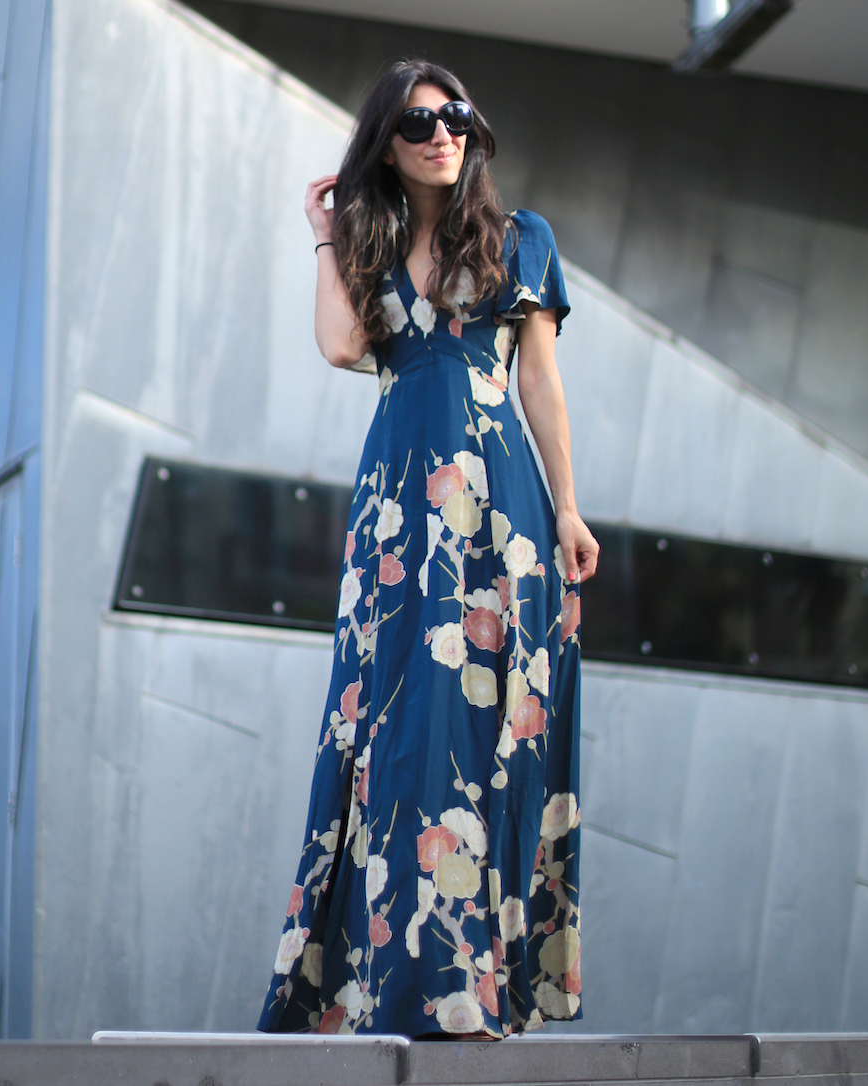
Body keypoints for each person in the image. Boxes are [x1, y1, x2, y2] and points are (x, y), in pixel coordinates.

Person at [259, 60, 598, 1039]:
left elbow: (540, 383)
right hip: (400, 519)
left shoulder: (519, 239)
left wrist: (568, 509)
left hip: (502, 520)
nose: (441, 133)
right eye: (417, 122)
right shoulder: (364, 241)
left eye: (454, 117)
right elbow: (336, 348)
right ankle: (387, 988)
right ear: (385, 140)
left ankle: (475, 988)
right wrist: (325, 232)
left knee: (495, 735)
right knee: (393, 734)